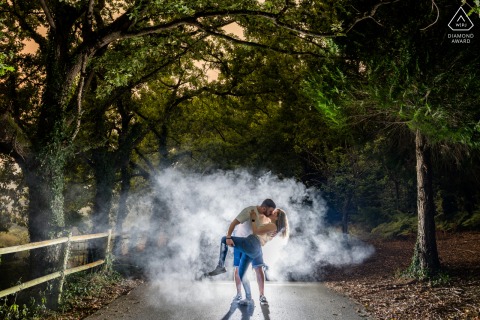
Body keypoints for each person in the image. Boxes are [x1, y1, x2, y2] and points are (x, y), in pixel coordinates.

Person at [206, 206, 289, 306]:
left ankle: (220, 266)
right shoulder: (271, 225)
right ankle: (248, 298)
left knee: (224, 239)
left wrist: (253, 217)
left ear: (277, 216)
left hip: (251, 243)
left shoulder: (273, 226)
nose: (272, 212)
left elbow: (255, 231)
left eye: (274, 212)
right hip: (254, 249)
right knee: (241, 273)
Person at [229, 200, 275, 303]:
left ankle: (262, 295)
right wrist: (229, 237)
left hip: (254, 245)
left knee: (259, 268)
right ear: (264, 208)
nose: (271, 213)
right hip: (240, 242)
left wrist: (270, 235)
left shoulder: (266, 219)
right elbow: (235, 222)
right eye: (270, 211)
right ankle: (239, 294)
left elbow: (264, 236)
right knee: (238, 269)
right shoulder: (249, 211)